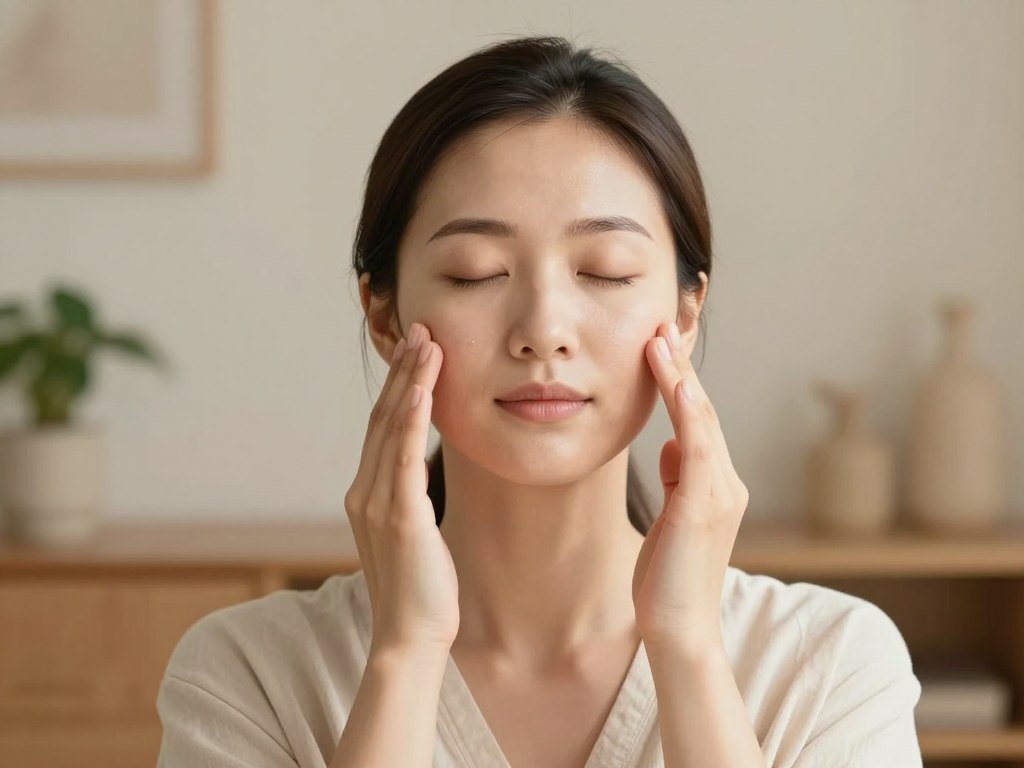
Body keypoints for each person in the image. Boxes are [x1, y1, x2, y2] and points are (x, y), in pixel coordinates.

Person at [156, 34, 923, 767]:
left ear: (685, 315)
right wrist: (404, 650)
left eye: (607, 270)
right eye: (476, 272)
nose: (544, 331)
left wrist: (687, 642)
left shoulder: (829, 663)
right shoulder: (246, 673)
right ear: (385, 315)